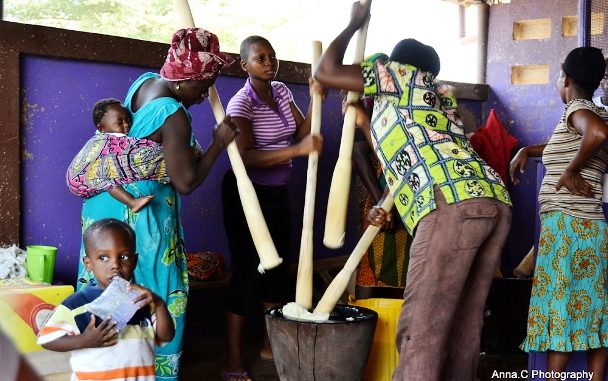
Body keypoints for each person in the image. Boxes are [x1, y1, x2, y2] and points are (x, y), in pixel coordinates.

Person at [314, 2, 512, 380]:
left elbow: (325, 71)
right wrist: (364, 122)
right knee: (462, 328)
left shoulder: (396, 74)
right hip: (493, 202)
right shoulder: (440, 99)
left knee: (420, 329)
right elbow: (400, 154)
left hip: (452, 205)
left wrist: (354, 24)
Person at [70, 27, 238, 380]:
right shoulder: (173, 113)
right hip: (141, 222)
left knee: (104, 291)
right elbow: (186, 181)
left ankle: (103, 371)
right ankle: (149, 372)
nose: (206, 93)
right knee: (152, 293)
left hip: (105, 208)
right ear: (184, 81)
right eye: (203, 84)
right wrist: (218, 144)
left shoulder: (146, 83)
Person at [221, 35, 323, 381]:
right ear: (244, 65)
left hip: (276, 193)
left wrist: (315, 100)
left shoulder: (280, 90)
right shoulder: (240, 104)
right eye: (259, 58)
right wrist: (297, 152)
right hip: (246, 194)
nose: (268, 62)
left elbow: (301, 133)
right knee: (248, 272)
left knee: (277, 270)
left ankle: (268, 345)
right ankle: (233, 358)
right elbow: (246, 157)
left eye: (271, 56)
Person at [513, 47, 608, 380]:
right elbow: (573, 139)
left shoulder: (578, 109)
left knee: (560, 311)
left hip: (567, 227)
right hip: (591, 228)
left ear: (564, 78)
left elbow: (597, 133)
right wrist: (527, 149)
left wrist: (569, 172)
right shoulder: (587, 112)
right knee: (595, 309)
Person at [38, 218, 174, 381]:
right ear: (88, 263)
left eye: (124, 256)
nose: (115, 264)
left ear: (135, 261)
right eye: (103, 258)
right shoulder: (77, 304)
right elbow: (47, 339)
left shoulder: (142, 301)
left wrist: (159, 304)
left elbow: (166, 336)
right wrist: (84, 340)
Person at [67, 98, 163, 212]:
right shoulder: (106, 140)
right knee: (107, 177)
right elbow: (134, 147)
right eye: (120, 122)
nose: (126, 125)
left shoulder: (108, 137)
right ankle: (132, 202)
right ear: (101, 128)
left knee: (108, 175)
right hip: (83, 180)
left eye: (128, 120)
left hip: (78, 182)